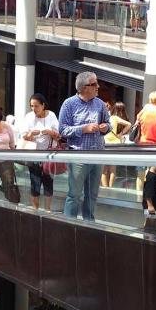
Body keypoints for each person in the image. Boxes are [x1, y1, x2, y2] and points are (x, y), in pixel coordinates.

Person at [58, 71, 111, 221]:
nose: (98, 87)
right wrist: (84, 129)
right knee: (74, 194)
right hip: (78, 156)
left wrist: (104, 127)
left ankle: (89, 225)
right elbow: (62, 130)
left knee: (92, 194)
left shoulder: (100, 104)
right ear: (84, 87)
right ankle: (69, 224)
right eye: (94, 84)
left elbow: (109, 125)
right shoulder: (69, 104)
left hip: (97, 155)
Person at [20, 93, 60, 210]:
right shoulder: (28, 117)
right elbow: (24, 137)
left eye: (36, 106)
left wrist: (49, 131)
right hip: (34, 154)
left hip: (49, 154)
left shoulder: (51, 115)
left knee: (48, 181)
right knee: (35, 182)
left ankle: (48, 209)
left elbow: (58, 136)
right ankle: (35, 209)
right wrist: (31, 133)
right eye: (31, 106)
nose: (33, 109)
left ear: (43, 105)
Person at [101, 101, 131, 187]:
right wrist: (120, 134)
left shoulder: (101, 119)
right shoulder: (114, 118)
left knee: (104, 170)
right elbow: (129, 124)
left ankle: (105, 188)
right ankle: (110, 188)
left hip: (105, 144)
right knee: (113, 169)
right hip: (115, 145)